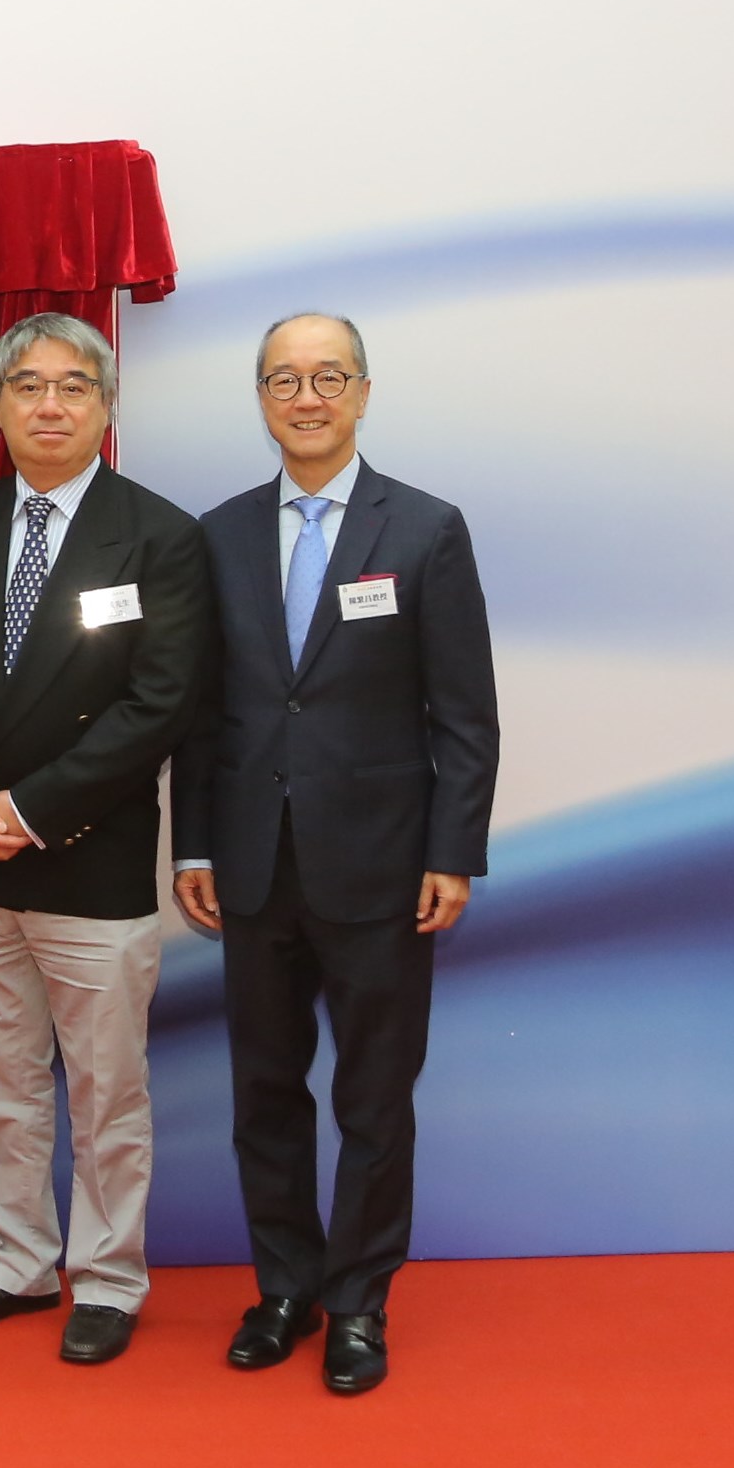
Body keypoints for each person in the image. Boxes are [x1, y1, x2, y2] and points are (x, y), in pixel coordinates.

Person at [172, 314, 499, 1396]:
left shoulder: (427, 529)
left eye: (327, 377)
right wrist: (196, 844)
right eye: (283, 379)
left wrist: (455, 849)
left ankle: (359, 1299)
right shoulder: (214, 535)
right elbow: (201, 715)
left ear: (362, 390)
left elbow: (463, 713)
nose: (305, 397)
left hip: (384, 867)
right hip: (253, 867)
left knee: (372, 1095)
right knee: (264, 1091)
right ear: (259, 396)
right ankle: (283, 1286)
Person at [0, 310, 215, 1366]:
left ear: (107, 403)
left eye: (73, 385)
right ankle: (16, 1261)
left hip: (90, 858)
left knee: (106, 1089)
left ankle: (111, 1277)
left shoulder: (160, 535)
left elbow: (159, 705)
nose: (50, 405)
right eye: (27, 385)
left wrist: (27, 811)